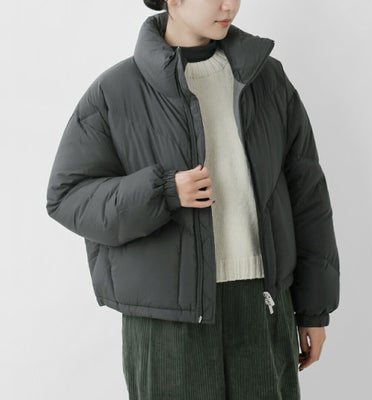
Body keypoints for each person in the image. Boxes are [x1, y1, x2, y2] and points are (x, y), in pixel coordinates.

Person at [46, 0, 340, 399]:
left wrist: (313, 310)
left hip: (262, 301)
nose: (229, 5)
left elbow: (307, 196)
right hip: (168, 319)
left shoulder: (266, 79)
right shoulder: (116, 92)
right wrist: (162, 191)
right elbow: (67, 196)